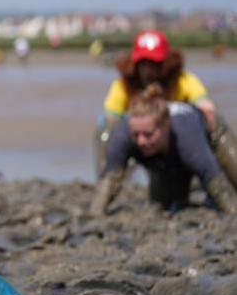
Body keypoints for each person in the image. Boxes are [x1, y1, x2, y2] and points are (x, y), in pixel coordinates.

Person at [95, 30, 236, 186]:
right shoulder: (123, 87)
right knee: (105, 129)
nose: (149, 71)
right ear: (134, 64)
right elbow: (110, 119)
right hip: (150, 150)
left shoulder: (183, 81)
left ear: (167, 63)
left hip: (180, 144)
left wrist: (204, 116)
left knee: (215, 123)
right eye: (143, 64)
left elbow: (206, 107)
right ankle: (106, 181)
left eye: (154, 64)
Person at [90, 84, 237, 216]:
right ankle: (195, 186)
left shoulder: (187, 138)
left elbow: (215, 180)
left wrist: (231, 211)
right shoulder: (124, 135)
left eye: (148, 135)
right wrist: (96, 212)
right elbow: (110, 179)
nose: (141, 141)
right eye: (136, 135)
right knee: (164, 205)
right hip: (163, 159)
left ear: (166, 127)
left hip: (212, 134)